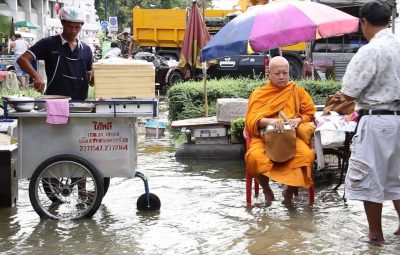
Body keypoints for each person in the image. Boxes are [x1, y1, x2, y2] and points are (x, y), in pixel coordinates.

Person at [340, 0, 400, 245]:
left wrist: (336, 104)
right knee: (398, 177)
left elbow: (350, 92)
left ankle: (375, 234)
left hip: (377, 121)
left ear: (363, 22)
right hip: (398, 120)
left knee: (368, 178)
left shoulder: (371, 50)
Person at [245, 56, 316, 206]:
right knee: (254, 158)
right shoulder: (259, 93)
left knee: (306, 156)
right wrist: (270, 121)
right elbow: (251, 120)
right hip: (264, 138)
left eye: (285, 73)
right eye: (277, 74)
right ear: (269, 74)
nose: (282, 77)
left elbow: (310, 113)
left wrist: (297, 120)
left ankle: (289, 191)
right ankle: (266, 189)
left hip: (290, 137)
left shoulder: (296, 90)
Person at [17, 6, 93, 100]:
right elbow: (22, 59)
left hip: (80, 102)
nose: (73, 31)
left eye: (77, 27)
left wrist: (96, 79)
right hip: (54, 100)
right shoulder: (49, 43)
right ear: (62, 23)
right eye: (70, 26)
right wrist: (36, 76)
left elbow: (90, 78)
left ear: (82, 25)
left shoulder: (86, 49)